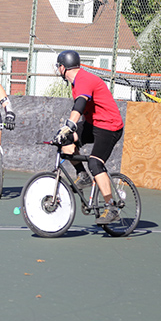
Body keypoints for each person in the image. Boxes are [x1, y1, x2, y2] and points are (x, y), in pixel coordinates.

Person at [51, 50, 125, 224]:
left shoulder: (84, 80)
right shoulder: (75, 83)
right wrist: (67, 132)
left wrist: (69, 124)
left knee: (95, 162)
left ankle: (111, 206)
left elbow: (80, 104)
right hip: (94, 124)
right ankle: (82, 175)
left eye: (58, 66)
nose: (58, 70)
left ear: (63, 67)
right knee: (65, 141)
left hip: (110, 126)